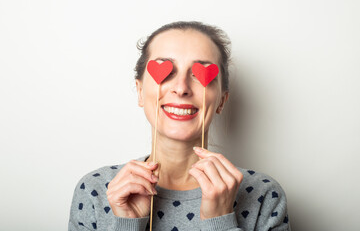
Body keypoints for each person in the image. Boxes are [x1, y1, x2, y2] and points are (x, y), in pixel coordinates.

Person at [68, 21, 291, 231]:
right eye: (167, 72)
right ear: (139, 92)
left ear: (222, 101)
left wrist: (220, 222)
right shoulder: (96, 192)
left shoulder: (263, 195)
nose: (181, 88)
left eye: (199, 75)